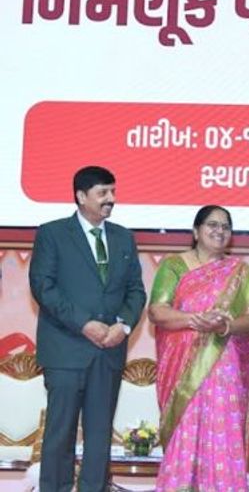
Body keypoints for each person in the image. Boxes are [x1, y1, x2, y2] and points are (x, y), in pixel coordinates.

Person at [29, 165, 146, 492]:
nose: (111, 199)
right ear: (81, 196)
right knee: (60, 434)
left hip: (109, 351)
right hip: (66, 350)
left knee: (99, 436)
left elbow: (136, 291)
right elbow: (43, 287)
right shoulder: (52, 234)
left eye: (113, 192)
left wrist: (122, 326)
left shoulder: (124, 237)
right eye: (103, 193)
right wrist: (84, 324)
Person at [148, 205, 249, 491]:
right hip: (183, 370)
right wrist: (193, 320)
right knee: (185, 431)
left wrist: (225, 326)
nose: (219, 231)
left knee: (224, 433)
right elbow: (157, 311)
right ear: (196, 231)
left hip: (227, 368)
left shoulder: (243, 274)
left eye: (225, 227)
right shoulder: (174, 265)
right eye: (212, 225)